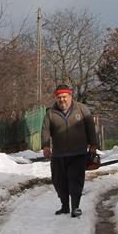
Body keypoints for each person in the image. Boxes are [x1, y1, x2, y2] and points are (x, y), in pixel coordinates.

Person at [41, 84, 98, 218]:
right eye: (59, 97)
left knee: (75, 180)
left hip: (78, 153)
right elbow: (45, 131)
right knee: (59, 181)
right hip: (59, 154)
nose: (62, 100)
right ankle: (65, 206)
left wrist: (93, 144)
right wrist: (46, 146)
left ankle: (75, 207)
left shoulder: (82, 109)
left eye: (64, 97)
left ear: (70, 96)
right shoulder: (50, 113)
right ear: (56, 98)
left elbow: (90, 127)